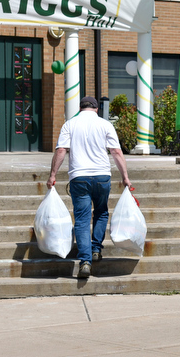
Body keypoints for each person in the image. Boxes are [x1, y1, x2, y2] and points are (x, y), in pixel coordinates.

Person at [47, 96, 131, 279]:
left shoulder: (70, 124)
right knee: (101, 212)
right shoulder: (105, 125)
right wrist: (125, 177)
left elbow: (61, 150)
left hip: (79, 177)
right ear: (96, 109)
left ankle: (85, 261)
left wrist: (52, 175)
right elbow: (116, 151)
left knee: (82, 218)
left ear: (80, 108)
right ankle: (95, 249)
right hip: (102, 176)